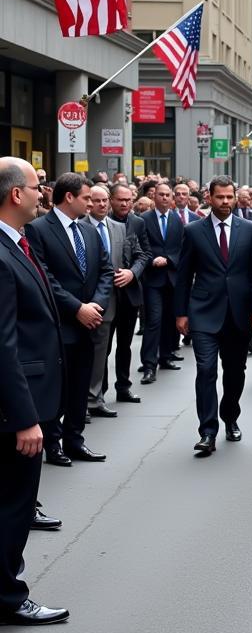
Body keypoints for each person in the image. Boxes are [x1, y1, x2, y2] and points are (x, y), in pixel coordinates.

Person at [0, 157, 69, 625]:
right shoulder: (3, 256)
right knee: (13, 505)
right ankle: (9, 597)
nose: (43, 192)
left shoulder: (17, 245)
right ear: (15, 194)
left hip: (24, 397)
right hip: (15, 411)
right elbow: (3, 344)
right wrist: (25, 418)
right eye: (37, 185)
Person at [175, 176, 252, 456]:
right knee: (205, 370)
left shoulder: (250, 229)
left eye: (230, 197)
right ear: (209, 198)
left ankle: (230, 416)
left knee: (235, 372)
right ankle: (207, 431)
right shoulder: (193, 231)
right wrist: (181, 313)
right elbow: (183, 276)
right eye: (220, 197)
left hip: (239, 314)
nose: (226, 202)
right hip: (204, 312)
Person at [26, 172, 112, 465]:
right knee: (57, 388)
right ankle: (53, 443)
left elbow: (105, 271)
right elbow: (44, 276)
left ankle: (75, 440)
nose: (91, 203)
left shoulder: (88, 230)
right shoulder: (38, 229)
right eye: (87, 198)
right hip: (60, 323)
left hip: (90, 323)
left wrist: (96, 306)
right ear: (70, 197)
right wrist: (77, 307)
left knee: (79, 386)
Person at [85, 185, 140, 417]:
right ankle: (86, 400)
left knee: (107, 350)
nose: (101, 205)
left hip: (120, 298)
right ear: (89, 203)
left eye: (104, 200)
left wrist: (131, 272)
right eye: (95, 201)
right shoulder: (81, 226)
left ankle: (95, 399)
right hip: (90, 300)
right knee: (92, 351)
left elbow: (138, 253)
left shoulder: (119, 228)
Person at [107, 183, 151, 404]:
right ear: (111, 200)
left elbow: (145, 254)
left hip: (129, 292)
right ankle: (98, 392)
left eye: (128, 200)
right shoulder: (102, 222)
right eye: (120, 200)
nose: (125, 204)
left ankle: (123, 387)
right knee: (103, 346)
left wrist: (132, 273)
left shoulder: (138, 222)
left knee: (124, 345)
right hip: (105, 294)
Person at [139, 182, 186, 385]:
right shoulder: (144, 220)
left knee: (169, 319)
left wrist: (169, 259)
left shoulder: (177, 220)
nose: (165, 198)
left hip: (172, 277)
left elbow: (182, 247)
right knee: (154, 321)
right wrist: (152, 260)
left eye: (168, 195)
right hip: (152, 279)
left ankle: (165, 356)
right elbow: (140, 246)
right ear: (154, 197)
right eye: (161, 194)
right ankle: (149, 365)